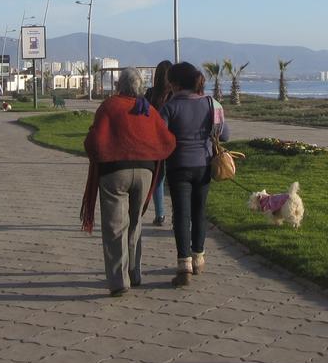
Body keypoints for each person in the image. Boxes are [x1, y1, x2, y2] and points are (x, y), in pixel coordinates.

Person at [81, 69, 175, 296]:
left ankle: (119, 281)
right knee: (135, 223)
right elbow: (168, 140)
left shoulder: (110, 106)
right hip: (145, 172)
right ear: (140, 87)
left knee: (115, 227)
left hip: (114, 172)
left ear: (118, 85)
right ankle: (135, 272)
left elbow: (94, 141)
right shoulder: (147, 110)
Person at [161, 61, 229, 287]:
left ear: (176, 83)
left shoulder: (169, 107)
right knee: (200, 211)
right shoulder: (213, 103)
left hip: (177, 166)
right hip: (203, 165)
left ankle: (184, 265)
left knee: (181, 214)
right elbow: (225, 134)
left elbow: (160, 136)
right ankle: (199, 258)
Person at [145, 60, 174, 226]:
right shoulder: (174, 95)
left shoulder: (150, 94)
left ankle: (160, 214)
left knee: (158, 178)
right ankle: (176, 215)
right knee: (173, 179)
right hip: (172, 141)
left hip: (155, 142)